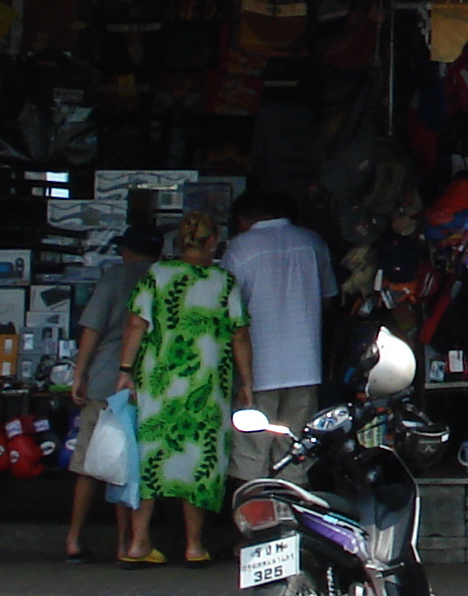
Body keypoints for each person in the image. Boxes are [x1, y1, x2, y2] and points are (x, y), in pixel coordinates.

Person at [120, 212, 252, 568]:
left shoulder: (156, 276)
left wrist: (125, 371)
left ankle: (138, 543)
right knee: (199, 460)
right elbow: (239, 335)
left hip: (157, 385)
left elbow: (136, 325)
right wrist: (247, 384)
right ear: (212, 243)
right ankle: (194, 545)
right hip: (205, 387)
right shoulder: (224, 283)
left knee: (148, 459)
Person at [222, 188, 336, 483]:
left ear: (244, 218)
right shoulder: (312, 242)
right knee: (294, 452)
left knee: (251, 451)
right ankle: (289, 519)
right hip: (305, 366)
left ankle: (252, 521)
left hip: (257, 369)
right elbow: (328, 300)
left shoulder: (239, 248)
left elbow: (228, 310)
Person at [66, 225, 158, 563]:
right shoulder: (167, 277)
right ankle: (126, 544)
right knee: (129, 464)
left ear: (128, 251)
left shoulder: (116, 276)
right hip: (149, 382)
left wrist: (79, 373)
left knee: (90, 463)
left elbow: (92, 327)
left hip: (107, 379)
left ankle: (74, 539)